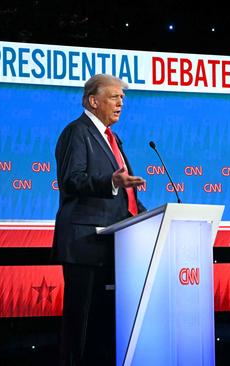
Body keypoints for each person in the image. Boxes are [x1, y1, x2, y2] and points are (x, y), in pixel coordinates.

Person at [53, 74, 146, 365]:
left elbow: (122, 193)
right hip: (84, 245)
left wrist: (147, 215)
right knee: (79, 331)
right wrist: (112, 182)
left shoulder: (113, 138)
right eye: (114, 97)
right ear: (93, 101)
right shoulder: (77, 132)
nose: (121, 102)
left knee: (102, 331)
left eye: (122, 98)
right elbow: (72, 180)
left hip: (110, 246)